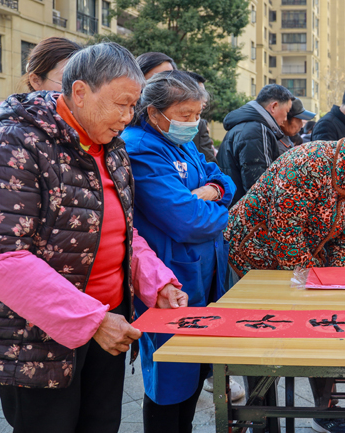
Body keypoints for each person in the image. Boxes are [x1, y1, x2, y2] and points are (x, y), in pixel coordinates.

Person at [0, 42, 187, 432]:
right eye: (120, 104)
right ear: (79, 92)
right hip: (38, 338)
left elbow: (121, 231)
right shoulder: (15, 141)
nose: (128, 118)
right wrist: (93, 320)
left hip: (106, 324)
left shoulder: (110, 147)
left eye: (133, 106)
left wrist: (156, 282)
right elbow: (3, 258)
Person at [226, 138, 345, 433]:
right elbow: (285, 229)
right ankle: (261, 417)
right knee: (264, 339)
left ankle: (325, 410)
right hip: (254, 254)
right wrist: (315, 281)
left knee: (322, 328)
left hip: (302, 259)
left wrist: (339, 284)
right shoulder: (308, 164)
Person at [121, 71, 236, 432]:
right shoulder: (141, 148)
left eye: (197, 114)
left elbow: (225, 179)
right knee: (171, 379)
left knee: (198, 367)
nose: (192, 122)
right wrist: (222, 211)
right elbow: (187, 220)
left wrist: (214, 192)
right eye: (185, 114)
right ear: (154, 112)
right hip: (173, 276)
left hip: (206, 270)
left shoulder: (181, 142)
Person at [217, 84, 294, 204]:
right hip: (245, 213)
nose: (285, 118)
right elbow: (260, 186)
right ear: (274, 106)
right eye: (286, 112)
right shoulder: (257, 130)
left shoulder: (245, 125)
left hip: (233, 206)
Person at [135, 52, 217, 163]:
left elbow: (211, 169)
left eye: (169, 76)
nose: (192, 122)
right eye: (156, 79)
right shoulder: (139, 143)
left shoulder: (184, 135)